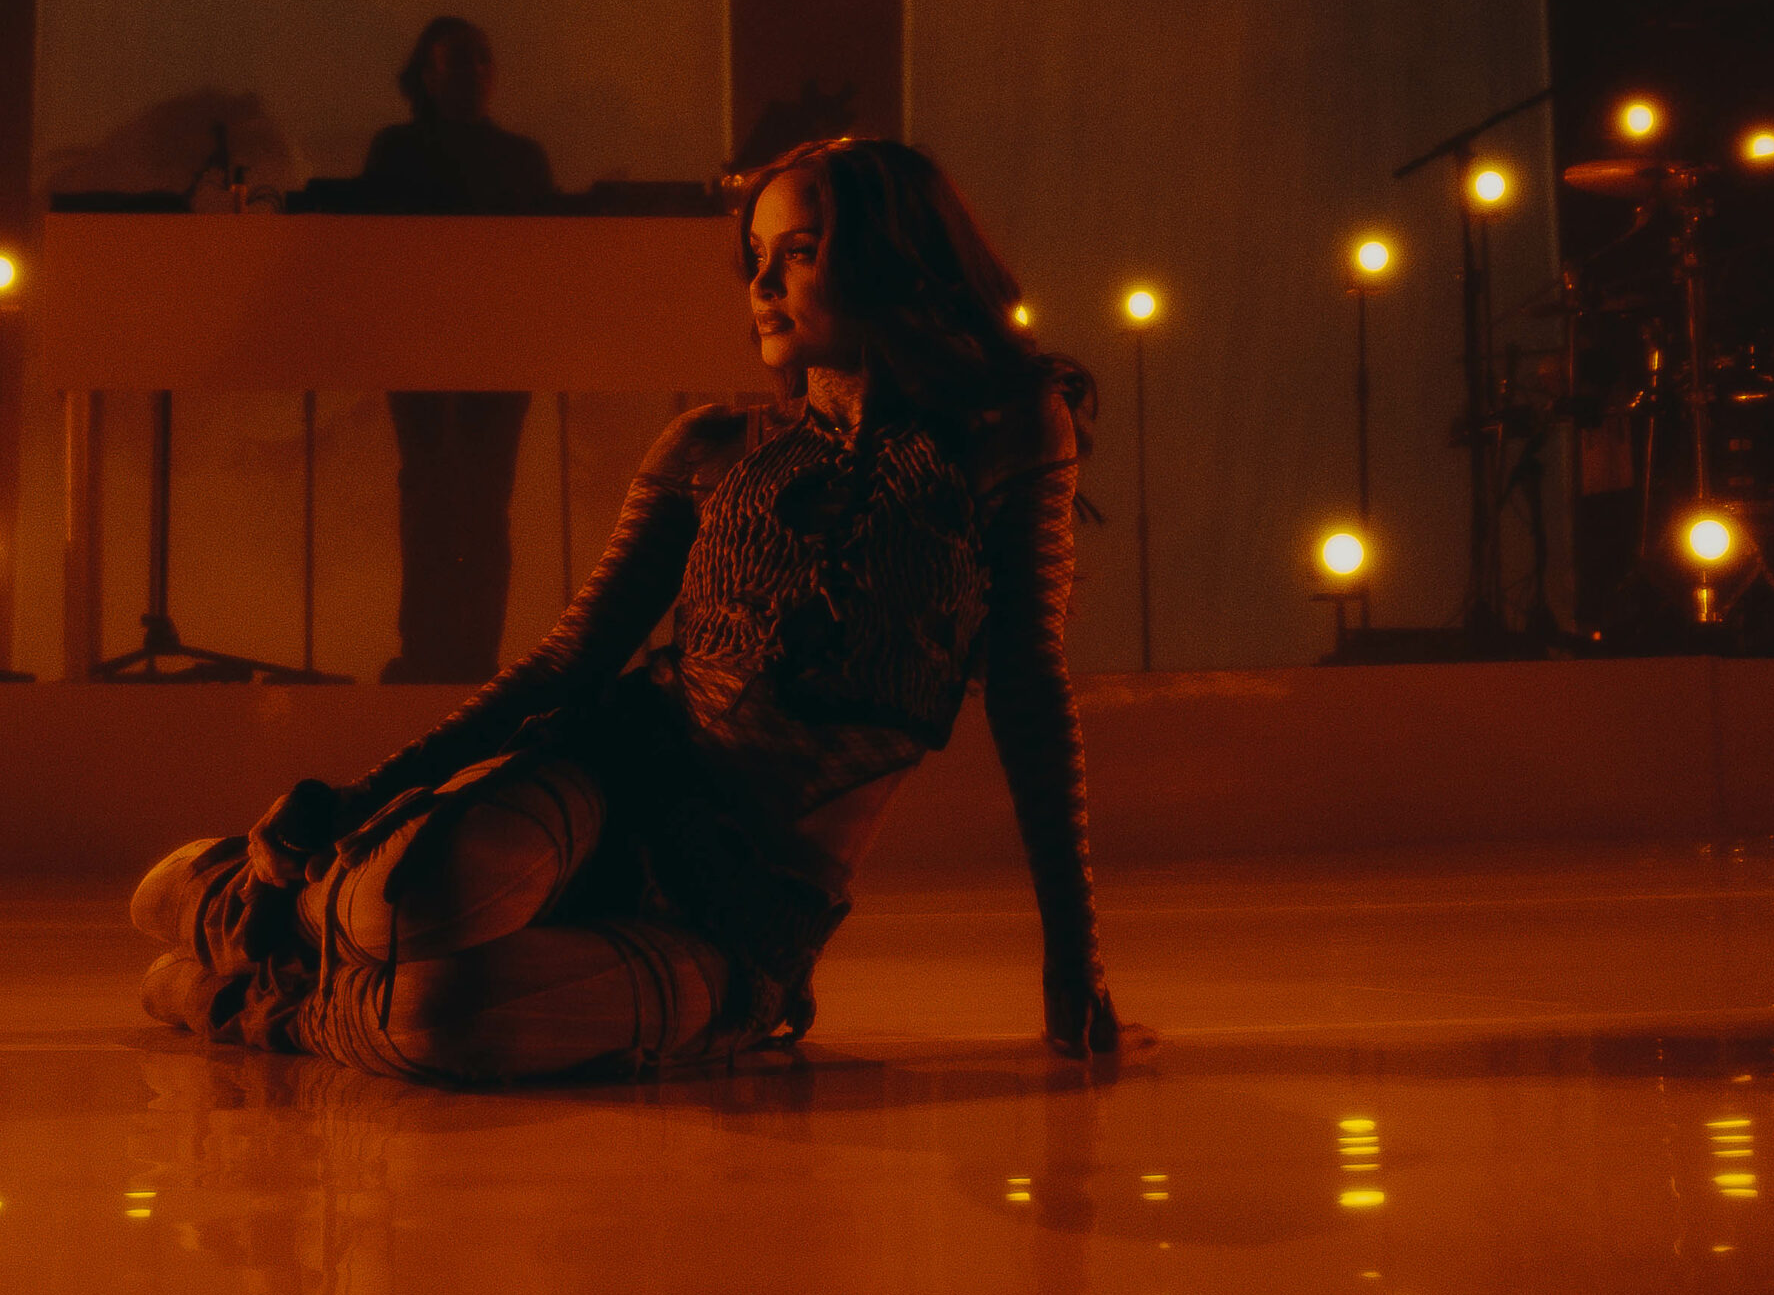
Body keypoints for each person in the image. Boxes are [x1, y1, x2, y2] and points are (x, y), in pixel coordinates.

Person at [134, 136, 1146, 1085]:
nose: (760, 285)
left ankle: (234, 992)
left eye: (797, 253)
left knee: (446, 1016)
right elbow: (570, 658)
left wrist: (1075, 962)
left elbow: (1028, 689)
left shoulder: (1008, 429)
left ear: (895, 259)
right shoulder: (712, 446)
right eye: (755, 257)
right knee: (412, 906)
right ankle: (229, 898)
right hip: (614, 774)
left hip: (753, 900)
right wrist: (359, 798)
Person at [362, 17, 555, 683]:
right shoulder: (516, 159)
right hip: (468, 340)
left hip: (456, 340)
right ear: (428, 75)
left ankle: (450, 653)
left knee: (457, 496)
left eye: (481, 59)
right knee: (452, 496)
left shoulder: (402, 152)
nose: (476, 72)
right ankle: (453, 654)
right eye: (462, 60)